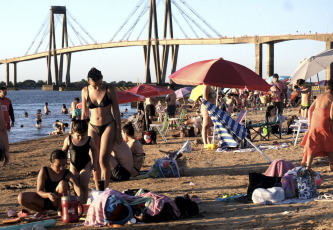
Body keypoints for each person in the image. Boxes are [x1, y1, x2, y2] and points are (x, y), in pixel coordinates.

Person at [81, 67, 122, 190]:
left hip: (108, 125)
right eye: (95, 86)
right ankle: (98, 188)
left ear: (102, 79)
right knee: (94, 160)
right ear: (89, 82)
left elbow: (116, 111)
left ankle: (105, 188)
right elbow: (84, 113)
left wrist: (119, 132)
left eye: (100, 84)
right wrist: (80, 132)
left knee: (104, 159)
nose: (98, 87)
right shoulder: (84, 91)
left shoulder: (110, 89)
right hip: (92, 126)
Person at [18, 150, 81, 216]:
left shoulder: (67, 173)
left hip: (59, 202)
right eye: (58, 166)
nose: (61, 168)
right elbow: (39, 191)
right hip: (44, 200)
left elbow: (76, 186)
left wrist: (79, 196)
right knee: (21, 197)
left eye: (64, 165)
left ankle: (60, 210)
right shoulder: (44, 171)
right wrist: (48, 195)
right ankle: (42, 211)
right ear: (51, 163)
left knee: (63, 184)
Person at [62, 120, 97, 203]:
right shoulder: (69, 139)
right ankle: (77, 203)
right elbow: (64, 150)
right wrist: (63, 163)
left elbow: (94, 150)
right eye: (78, 136)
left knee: (84, 186)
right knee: (75, 187)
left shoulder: (89, 140)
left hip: (86, 165)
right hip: (73, 165)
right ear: (74, 132)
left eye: (83, 135)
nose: (81, 138)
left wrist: (94, 163)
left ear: (87, 132)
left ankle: (83, 205)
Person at [301, 80, 333, 171]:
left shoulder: (319, 96)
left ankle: (308, 166)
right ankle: (331, 165)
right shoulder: (332, 98)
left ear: (326, 88)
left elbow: (310, 109)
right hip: (324, 121)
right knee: (330, 143)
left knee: (312, 143)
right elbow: (332, 114)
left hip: (315, 121)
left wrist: (310, 123)